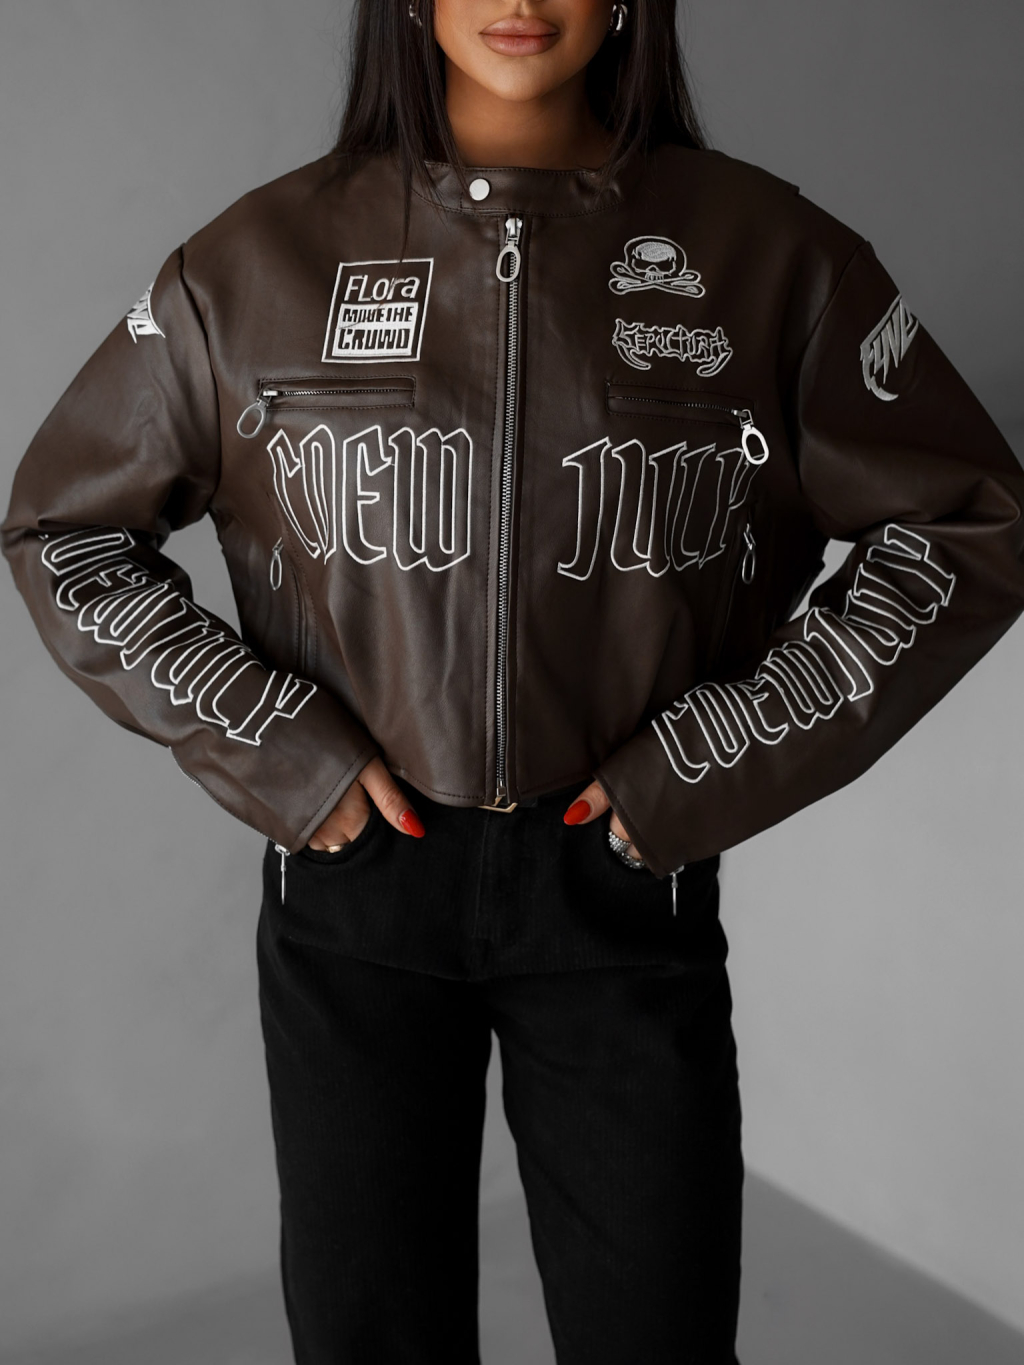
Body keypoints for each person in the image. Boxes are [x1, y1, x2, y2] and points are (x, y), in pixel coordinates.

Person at [4, 1, 1024, 1361]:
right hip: (360, 891)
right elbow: (63, 527)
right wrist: (284, 754)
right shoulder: (257, 258)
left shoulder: (769, 255)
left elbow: (970, 524)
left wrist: (704, 764)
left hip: (620, 885)